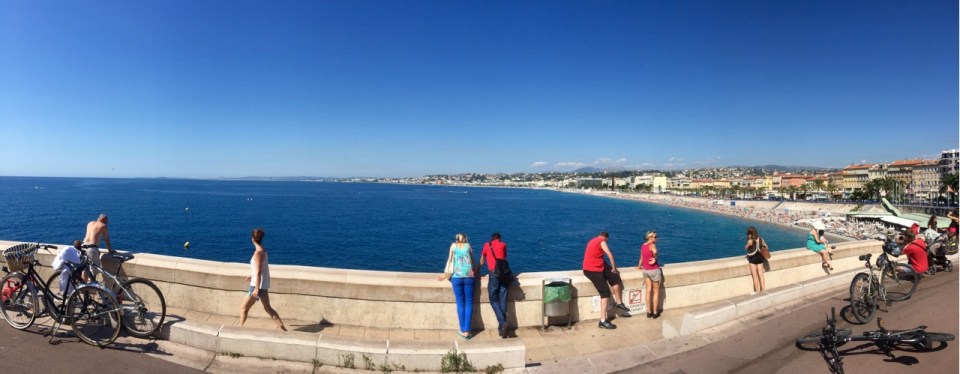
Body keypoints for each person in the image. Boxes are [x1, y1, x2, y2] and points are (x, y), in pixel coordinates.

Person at [235, 229, 287, 331]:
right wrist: (251, 275)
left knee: (243, 308)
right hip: (263, 285)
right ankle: (284, 330)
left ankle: (239, 330)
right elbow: (260, 269)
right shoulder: (263, 250)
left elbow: (259, 271)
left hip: (256, 286)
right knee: (268, 309)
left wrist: (256, 289)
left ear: (253, 239)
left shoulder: (258, 253)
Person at [582, 232, 630, 329]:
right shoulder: (602, 241)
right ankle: (602, 321)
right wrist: (614, 268)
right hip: (592, 270)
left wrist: (613, 272)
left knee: (615, 278)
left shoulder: (593, 240)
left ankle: (619, 303)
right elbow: (610, 255)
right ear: (606, 238)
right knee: (605, 293)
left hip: (599, 265)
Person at [437, 233, 476, 339]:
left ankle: (462, 330)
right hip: (469, 276)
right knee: (469, 303)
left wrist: (444, 275)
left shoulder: (453, 246)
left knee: (460, 303)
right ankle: (467, 331)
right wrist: (476, 273)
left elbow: (449, 260)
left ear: (456, 239)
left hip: (456, 277)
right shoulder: (468, 246)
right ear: (465, 239)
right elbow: (472, 260)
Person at [478, 232, 510, 339]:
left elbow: (482, 260)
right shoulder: (503, 245)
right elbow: (504, 258)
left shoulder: (487, 245)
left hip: (494, 274)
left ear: (491, 239)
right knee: (503, 298)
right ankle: (501, 328)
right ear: (499, 239)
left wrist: (477, 271)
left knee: (492, 298)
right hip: (504, 275)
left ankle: (502, 322)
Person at [82, 214, 113, 282]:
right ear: (102, 220)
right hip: (92, 249)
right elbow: (106, 240)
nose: (107, 223)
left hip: (83, 246)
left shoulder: (89, 223)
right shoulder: (103, 226)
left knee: (85, 269)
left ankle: (84, 289)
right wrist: (110, 250)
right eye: (106, 221)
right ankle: (92, 287)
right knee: (94, 270)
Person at [639, 231, 663, 319]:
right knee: (656, 292)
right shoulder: (652, 245)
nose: (657, 238)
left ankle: (649, 312)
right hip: (654, 270)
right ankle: (655, 313)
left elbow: (641, 257)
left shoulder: (643, 245)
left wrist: (638, 266)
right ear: (650, 238)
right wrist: (655, 259)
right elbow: (655, 252)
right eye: (655, 237)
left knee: (648, 291)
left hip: (645, 270)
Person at [744, 227, 766, 294]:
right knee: (761, 274)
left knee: (755, 276)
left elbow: (746, 247)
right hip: (760, 258)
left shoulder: (750, 240)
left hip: (753, 258)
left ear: (749, 234)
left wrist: (748, 242)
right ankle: (763, 290)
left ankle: (756, 291)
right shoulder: (760, 239)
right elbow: (766, 247)